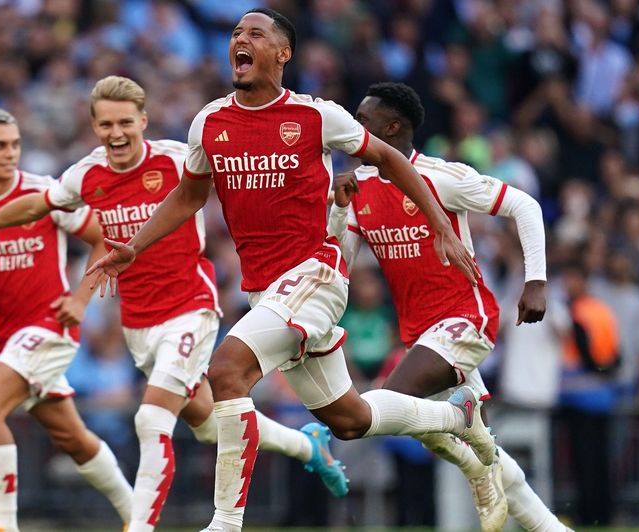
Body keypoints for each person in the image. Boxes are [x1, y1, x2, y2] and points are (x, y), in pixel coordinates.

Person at [85, 9, 496, 532]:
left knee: (227, 370)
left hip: (315, 277)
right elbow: (189, 194)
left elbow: (391, 159)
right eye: (236, 33)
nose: (241, 39)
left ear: (283, 54)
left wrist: (439, 221)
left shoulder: (316, 116)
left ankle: (226, 522)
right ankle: (458, 416)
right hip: (266, 293)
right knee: (349, 420)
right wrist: (134, 247)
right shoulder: (209, 122)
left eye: (256, 33)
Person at [0, 77, 351, 532]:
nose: (116, 133)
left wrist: (322, 198)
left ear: (143, 121)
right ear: (94, 126)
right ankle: (308, 447)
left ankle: (138, 527)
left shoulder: (177, 159)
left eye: (126, 123)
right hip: (138, 324)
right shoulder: (86, 174)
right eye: (106, 124)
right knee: (210, 424)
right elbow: (38, 205)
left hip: (191, 308)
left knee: (151, 418)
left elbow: (254, 179)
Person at [328, 81, 569, 532]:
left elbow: (525, 204)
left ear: (392, 127)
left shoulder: (440, 177)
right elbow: (341, 267)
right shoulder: (358, 186)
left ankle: (472, 439)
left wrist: (536, 282)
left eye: (362, 121)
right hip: (420, 334)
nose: (352, 129)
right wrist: (339, 210)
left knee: (387, 405)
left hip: (465, 319)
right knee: (455, 443)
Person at [0, 104, 132, 532]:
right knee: (73, 439)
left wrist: (81, 300)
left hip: (52, 325)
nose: (11, 153)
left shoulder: (45, 192)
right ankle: (138, 515)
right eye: (0, 145)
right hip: (7, 339)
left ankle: (4, 524)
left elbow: (103, 240)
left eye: (16, 144)